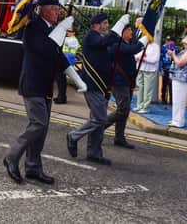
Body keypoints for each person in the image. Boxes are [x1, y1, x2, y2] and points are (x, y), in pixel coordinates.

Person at [4, 0, 86, 184]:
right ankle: (12, 156)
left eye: (58, 9)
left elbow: (59, 58)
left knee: (43, 129)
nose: (58, 13)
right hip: (32, 83)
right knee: (38, 124)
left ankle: (33, 167)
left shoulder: (51, 30)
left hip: (46, 85)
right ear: (43, 10)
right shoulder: (33, 27)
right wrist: (60, 30)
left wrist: (78, 79)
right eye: (55, 9)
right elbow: (45, 49)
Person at [66, 12, 128, 166]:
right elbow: (105, 41)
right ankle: (73, 135)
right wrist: (119, 25)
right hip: (92, 84)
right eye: (105, 23)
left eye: (108, 23)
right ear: (96, 25)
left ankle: (94, 152)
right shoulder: (91, 36)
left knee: (97, 121)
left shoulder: (99, 38)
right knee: (100, 118)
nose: (106, 26)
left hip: (102, 85)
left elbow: (109, 46)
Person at [106, 21, 147, 148]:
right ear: (122, 32)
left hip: (126, 82)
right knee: (123, 109)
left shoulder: (125, 43)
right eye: (129, 30)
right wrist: (145, 38)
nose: (131, 32)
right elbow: (133, 50)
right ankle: (99, 126)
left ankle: (119, 136)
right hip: (118, 81)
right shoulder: (116, 43)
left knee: (125, 109)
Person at [167, 35, 187, 128]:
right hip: (178, 77)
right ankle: (175, 119)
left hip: (183, 79)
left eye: (185, 42)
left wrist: (173, 55)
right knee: (176, 100)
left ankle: (179, 121)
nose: (183, 44)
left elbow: (180, 63)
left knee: (180, 100)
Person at [133, 39, 160, 114]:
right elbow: (136, 55)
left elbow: (155, 59)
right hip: (140, 68)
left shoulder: (155, 46)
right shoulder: (143, 44)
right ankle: (139, 105)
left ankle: (145, 107)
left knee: (147, 89)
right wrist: (139, 57)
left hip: (150, 70)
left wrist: (143, 59)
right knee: (140, 87)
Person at [53, 28, 80, 104]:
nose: (68, 32)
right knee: (60, 79)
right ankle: (61, 97)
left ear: (74, 33)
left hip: (67, 60)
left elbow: (61, 43)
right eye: (67, 31)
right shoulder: (68, 39)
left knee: (61, 79)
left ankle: (62, 98)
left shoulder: (73, 40)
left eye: (70, 31)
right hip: (64, 60)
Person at [159, 36, 176, 105]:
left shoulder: (175, 48)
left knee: (172, 85)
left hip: (172, 69)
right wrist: (161, 69)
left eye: (171, 41)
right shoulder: (163, 48)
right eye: (168, 40)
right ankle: (163, 99)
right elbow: (160, 59)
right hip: (165, 68)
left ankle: (172, 100)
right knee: (164, 85)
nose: (169, 42)